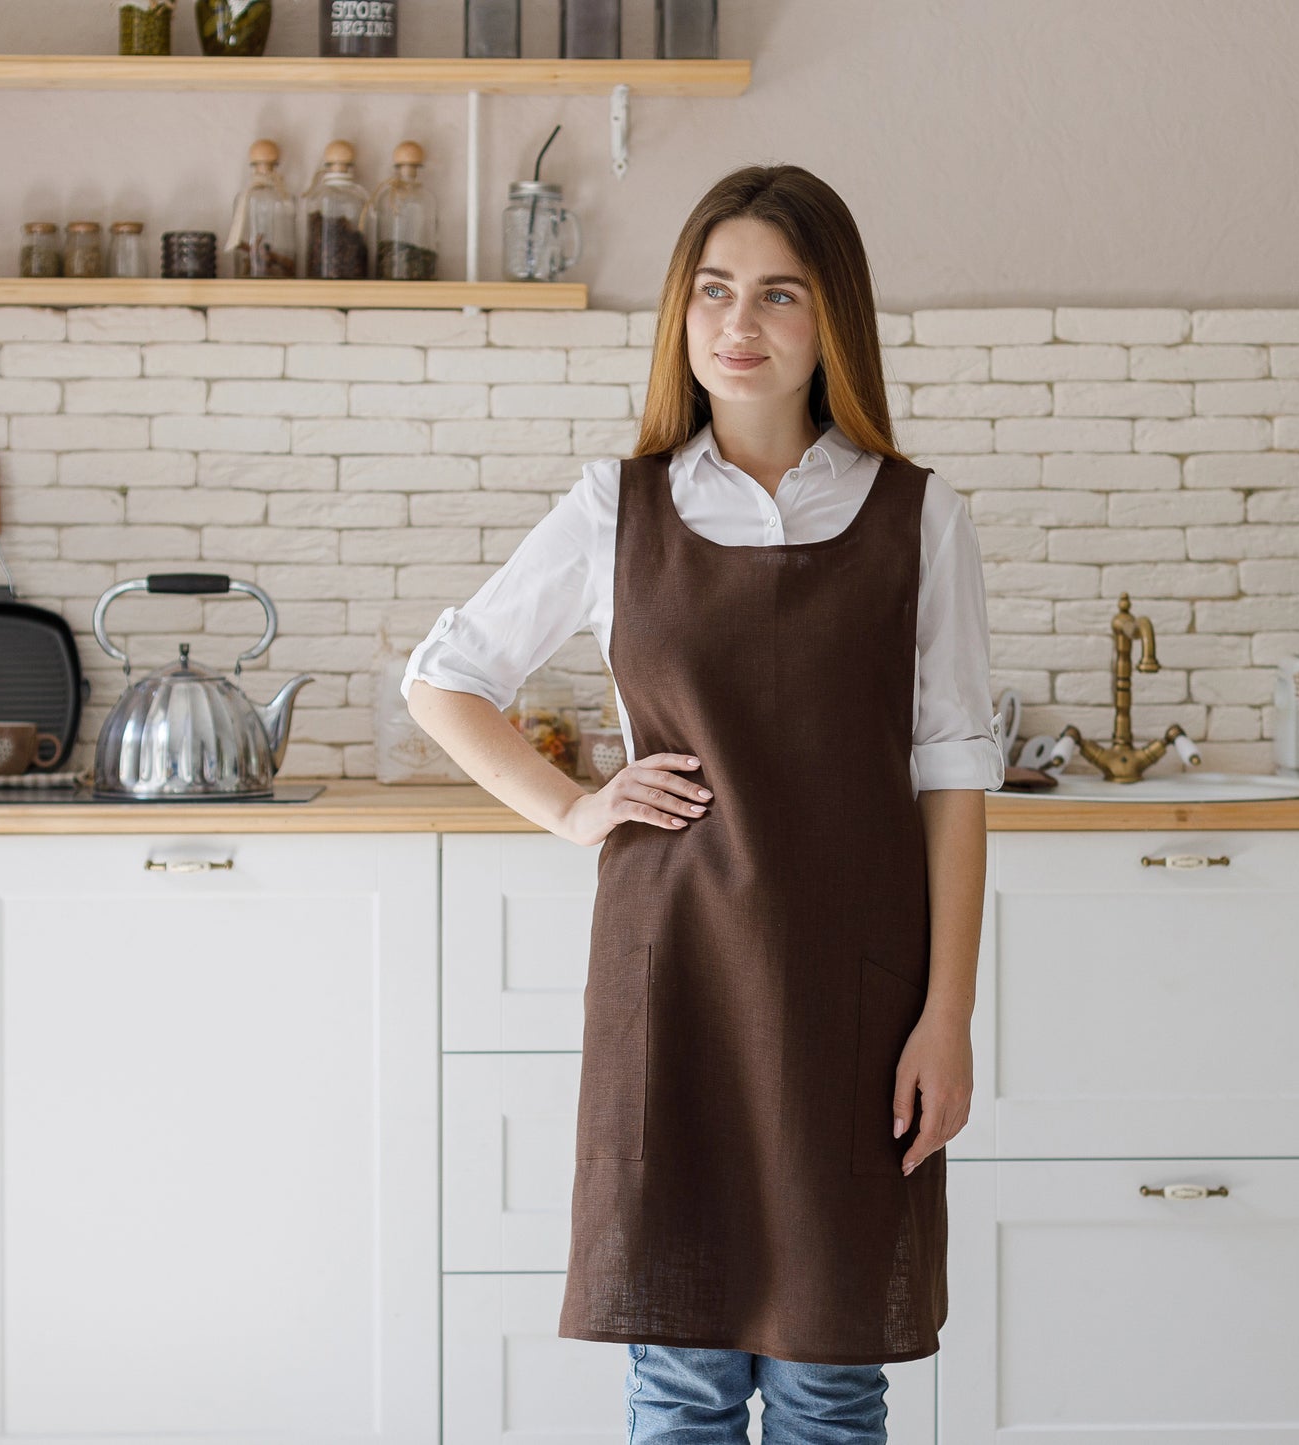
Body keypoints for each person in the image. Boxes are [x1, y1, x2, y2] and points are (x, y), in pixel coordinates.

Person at [404, 163, 1004, 1444]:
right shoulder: (614, 508)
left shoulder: (917, 518)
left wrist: (945, 1015)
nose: (740, 323)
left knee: (831, 1379)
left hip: (855, 998)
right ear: (680, 314)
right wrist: (573, 809)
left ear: (830, 317)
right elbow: (444, 679)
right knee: (678, 1381)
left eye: (778, 293)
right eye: (713, 290)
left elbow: (952, 774)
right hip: (673, 980)